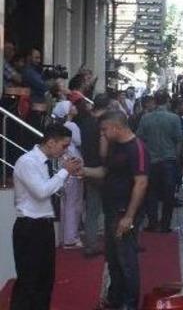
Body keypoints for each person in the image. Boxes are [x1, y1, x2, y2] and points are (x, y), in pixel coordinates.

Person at [81, 111, 149, 310]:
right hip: (112, 209)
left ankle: (129, 303)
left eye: (104, 130)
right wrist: (82, 171)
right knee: (113, 258)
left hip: (123, 211)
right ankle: (116, 298)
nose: (102, 134)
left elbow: (141, 182)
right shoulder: (115, 147)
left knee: (126, 260)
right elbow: (105, 171)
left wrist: (129, 216)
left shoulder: (137, 148)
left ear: (115, 127)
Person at [10, 124, 82, 310]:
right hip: (29, 227)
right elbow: (41, 192)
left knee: (45, 280)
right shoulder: (27, 161)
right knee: (29, 281)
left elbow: (51, 190)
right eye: (63, 146)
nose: (65, 150)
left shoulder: (47, 162)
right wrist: (65, 171)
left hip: (43, 226)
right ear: (50, 142)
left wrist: (66, 175)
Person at [137, 89, 183, 232]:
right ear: (167, 101)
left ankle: (152, 222)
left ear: (155, 101)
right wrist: (177, 158)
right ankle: (165, 224)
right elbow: (179, 141)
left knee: (151, 192)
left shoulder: (146, 118)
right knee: (168, 194)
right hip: (169, 160)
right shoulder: (174, 118)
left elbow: (139, 138)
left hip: (151, 161)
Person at [75, 91, 105, 257]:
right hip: (103, 169)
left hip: (88, 166)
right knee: (108, 208)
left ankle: (91, 243)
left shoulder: (85, 123)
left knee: (92, 209)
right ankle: (111, 242)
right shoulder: (104, 124)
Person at [52, 100, 84, 248]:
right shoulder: (72, 126)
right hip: (73, 165)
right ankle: (71, 238)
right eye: (72, 106)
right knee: (74, 202)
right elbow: (78, 142)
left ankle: (64, 235)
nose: (75, 107)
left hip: (62, 165)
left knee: (65, 203)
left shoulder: (58, 127)